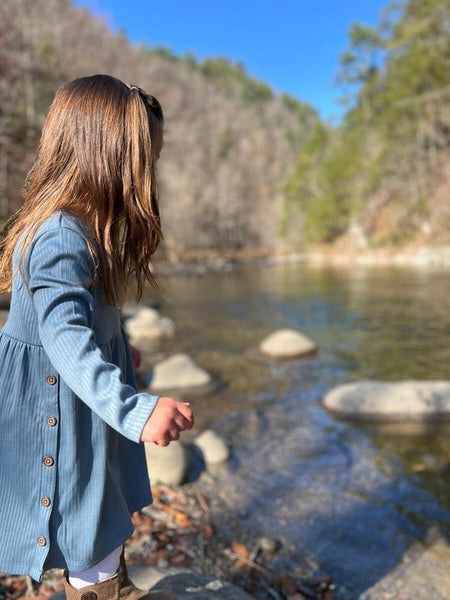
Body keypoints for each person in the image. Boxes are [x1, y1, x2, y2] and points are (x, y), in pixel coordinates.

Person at [0, 74, 194, 600]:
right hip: (55, 412)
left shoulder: (87, 230)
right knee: (85, 519)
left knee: (98, 514)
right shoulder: (61, 236)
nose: (148, 171)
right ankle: (105, 592)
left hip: (78, 405)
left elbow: (83, 320)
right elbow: (64, 340)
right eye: (142, 158)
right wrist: (137, 410)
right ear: (103, 156)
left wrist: (120, 346)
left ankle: (108, 584)